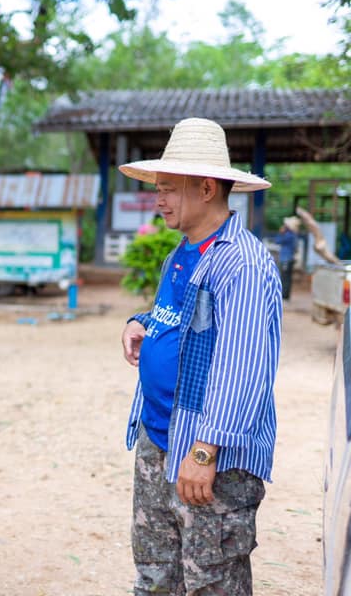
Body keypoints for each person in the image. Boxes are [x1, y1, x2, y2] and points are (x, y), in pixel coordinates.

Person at [118, 118, 281, 595]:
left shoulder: (244, 264)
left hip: (208, 456)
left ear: (206, 188)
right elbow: (177, 316)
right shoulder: (182, 254)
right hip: (159, 436)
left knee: (212, 582)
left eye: (168, 188)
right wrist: (142, 323)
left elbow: (244, 367)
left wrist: (205, 448)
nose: (158, 199)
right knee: (155, 575)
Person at [274, 216, 299, 301]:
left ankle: (284, 296)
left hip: (286, 258)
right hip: (289, 258)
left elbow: (277, 241)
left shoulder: (288, 235)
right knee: (287, 278)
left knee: (284, 278)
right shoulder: (293, 235)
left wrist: (281, 232)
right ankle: (286, 295)